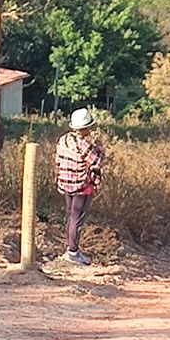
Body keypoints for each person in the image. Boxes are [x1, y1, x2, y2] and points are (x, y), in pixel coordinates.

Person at [55, 107, 104, 266]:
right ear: (85, 128)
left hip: (66, 183)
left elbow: (57, 161)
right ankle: (73, 252)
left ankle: (70, 248)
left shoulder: (63, 140)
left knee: (70, 215)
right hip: (81, 186)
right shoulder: (83, 144)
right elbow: (97, 161)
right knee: (77, 218)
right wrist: (100, 149)